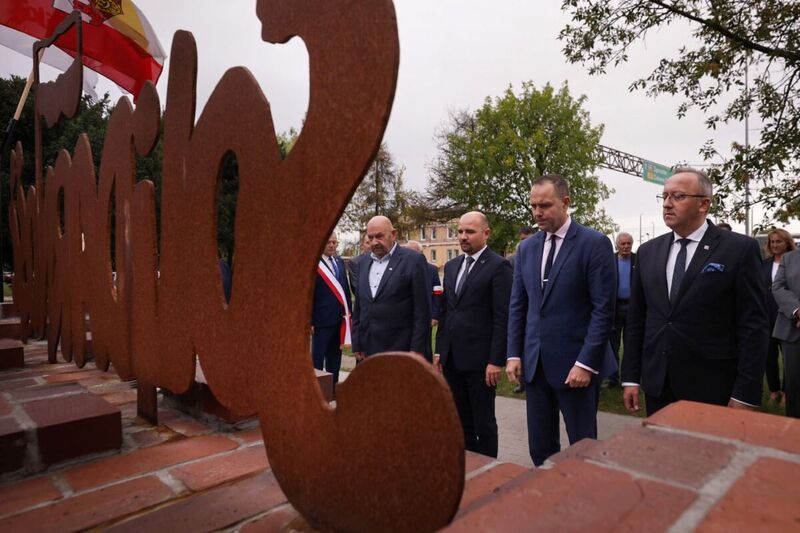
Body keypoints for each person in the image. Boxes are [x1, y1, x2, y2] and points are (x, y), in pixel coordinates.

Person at [622, 168, 768, 415]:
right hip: (659, 384)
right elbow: (637, 320)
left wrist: (745, 393)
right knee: (662, 452)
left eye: (678, 197)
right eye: (664, 196)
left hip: (713, 388)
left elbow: (753, 326)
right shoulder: (648, 252)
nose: (667, 204)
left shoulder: (738, 249)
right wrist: (631, 378)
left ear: (704, 204)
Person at [506, 175, 617, 467]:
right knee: (540, 449)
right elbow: (519, 305)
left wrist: (586, 363)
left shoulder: (594, 244)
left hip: (576, 369)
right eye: (533, 206)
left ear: (566, 203)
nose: (537, 212)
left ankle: (586, 507)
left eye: (544, 205)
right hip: (536, 366)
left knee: (583, 451)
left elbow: (603, 309)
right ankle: (547, 505)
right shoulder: (527, 249)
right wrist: (514, 354)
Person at [435, 211, 512, 458]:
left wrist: (495, 360)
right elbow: (447, 311)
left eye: (469, 231)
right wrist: (440, 350)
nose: (463, 237)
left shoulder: (499, 266)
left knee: (484, 422)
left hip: (481, 362)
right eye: (460, 231)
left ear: (486, 233)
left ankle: (488, 468)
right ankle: (468, 466)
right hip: (453, 359)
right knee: (460, 419)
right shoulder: (453, 265)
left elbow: (502, 317)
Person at [352, 216, 431, 361]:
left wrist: (417, 350)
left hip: (401, 350)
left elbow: (422, 310)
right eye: (371, 237)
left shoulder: (413, 261)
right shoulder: (363, 263)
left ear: (393, 234)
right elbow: (359, 307)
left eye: (379, 236)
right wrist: (357, 343)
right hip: (368, 351)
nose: (375, 242)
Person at [311, 233, 352, 386]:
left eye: (335, 242)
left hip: (339, 320)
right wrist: (309, 320)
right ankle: (317, 390)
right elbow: (308, 295)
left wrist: (349, 315)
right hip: (320, 321)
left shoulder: (340, 262)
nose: (332, 245)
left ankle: (333, 388)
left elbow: (345, 291)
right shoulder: (313, 263)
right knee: (318, 359)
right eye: (329, 242)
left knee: (335, 357)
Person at [763, 229, 797, 406]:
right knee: (769, 356)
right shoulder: (764, 264)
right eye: (772, 242)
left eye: (779, 241)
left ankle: (786, 392)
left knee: (789, 359)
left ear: (787, 242)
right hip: (767, 316)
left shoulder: (794, 261)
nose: (775, 245)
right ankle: (774, 390)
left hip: (787, 317)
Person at [771, 247, 800, 418]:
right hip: (792, 331)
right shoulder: (789, 258)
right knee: (794, 385)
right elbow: (778, 287)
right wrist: (797, 310)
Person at [607, 232, 636, 387]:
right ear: (617, 245)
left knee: (631, 344)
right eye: (623, 244)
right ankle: (612, 377)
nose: (626, 247)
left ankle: (628, 377)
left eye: (628, 244)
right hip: (615, 308)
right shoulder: (609, 261)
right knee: (613, 344)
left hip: (632, 307)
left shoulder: (638, 260)